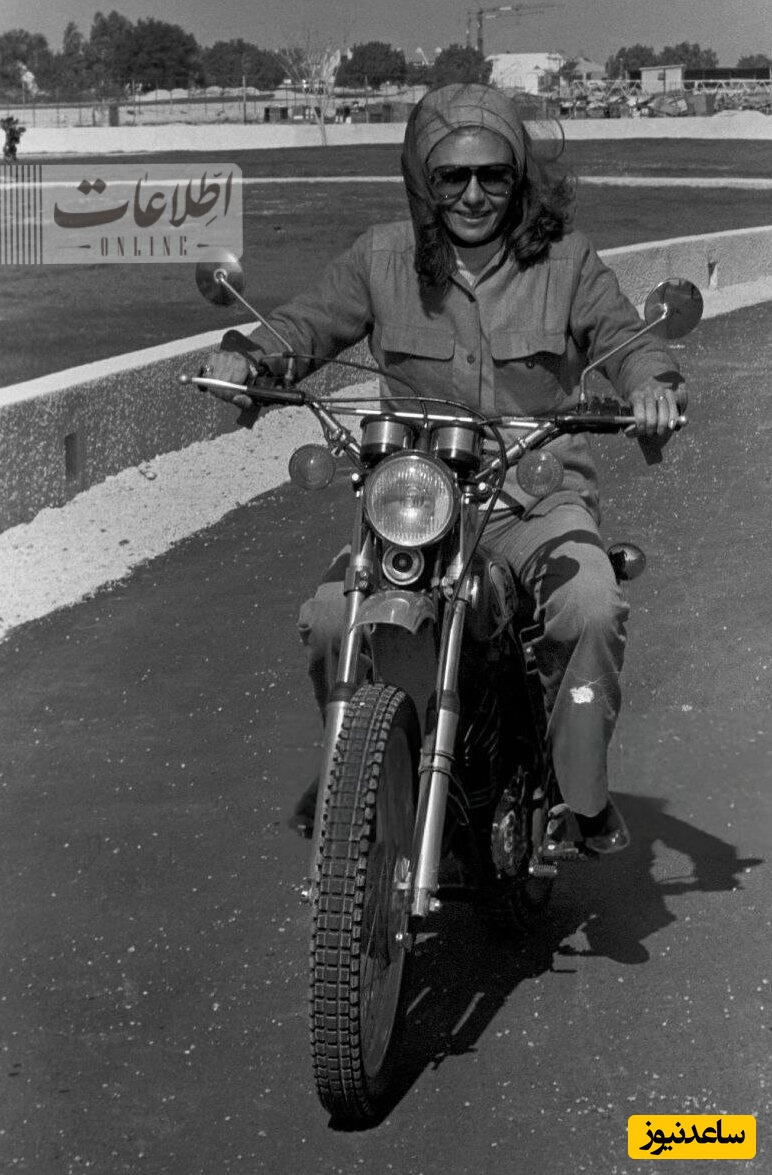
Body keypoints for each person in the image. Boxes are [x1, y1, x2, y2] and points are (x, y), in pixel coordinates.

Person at [205, 83, 685, 854]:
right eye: (452, 176)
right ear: (424, 181)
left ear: (518, 177)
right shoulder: (381, 256)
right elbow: (305, 325)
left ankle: (582, 789)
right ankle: (355, 763)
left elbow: (626, 340)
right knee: (329, 616)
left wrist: (652, 388)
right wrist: (250, 358)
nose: (472, 193)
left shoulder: (566, 262)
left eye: (493, 174)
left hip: (534, 497)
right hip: (417, 501)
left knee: (591, 606)